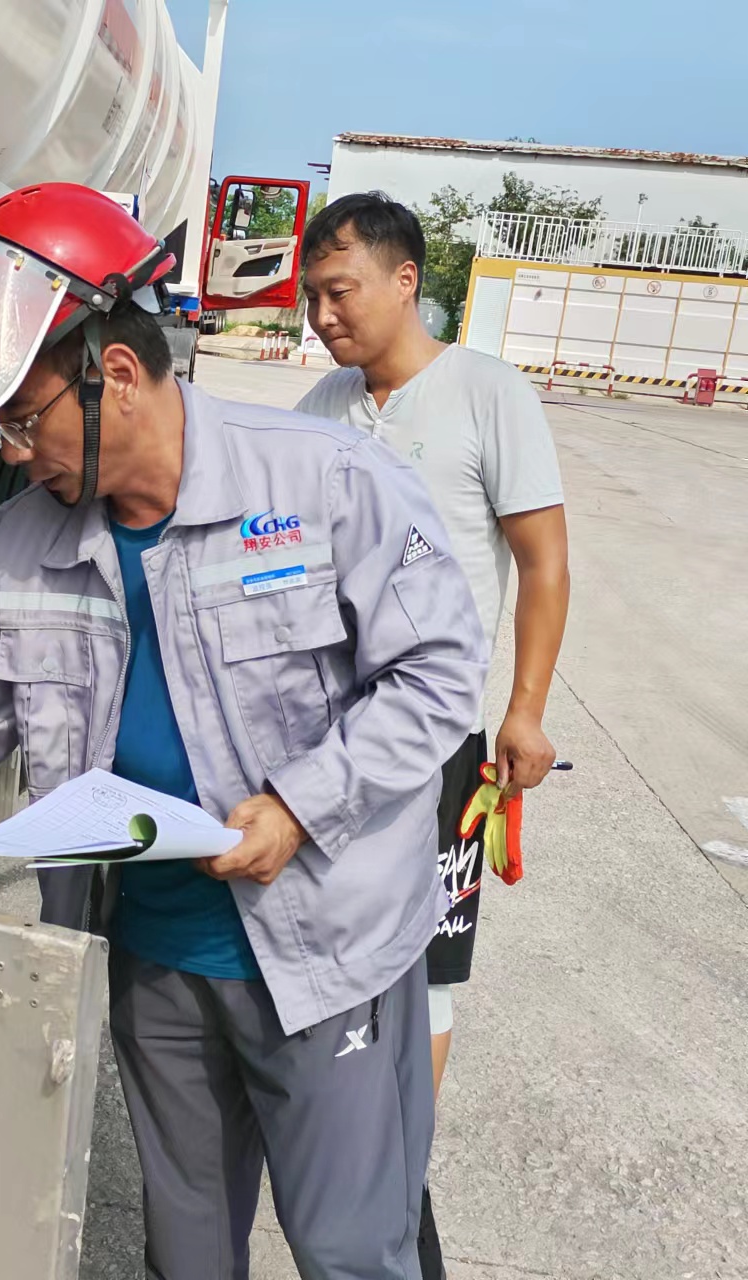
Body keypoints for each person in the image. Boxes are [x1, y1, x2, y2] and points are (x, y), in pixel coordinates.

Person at [0, 183, 489, 1280]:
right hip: (154, 961)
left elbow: (439, 673)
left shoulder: (324, 482)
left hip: (326, 953)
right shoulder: (18, 547)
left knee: (348, 1251)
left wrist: (300, 805)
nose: (16, 454)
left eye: (24, 419)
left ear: (113, 372)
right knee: (187, 1254)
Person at [295, 191, 571, 1277]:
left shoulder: (486, 395)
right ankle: (335, 1133)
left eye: (339, 291)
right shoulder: (323, 405)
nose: (322, 315)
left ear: (405, 280)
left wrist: (524, 707)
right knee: (327, 939)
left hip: (439, 742)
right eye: (311, 296)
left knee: (426, 964)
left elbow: (542, 563)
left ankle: (395, 1174)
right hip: (329, 739)